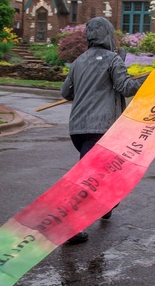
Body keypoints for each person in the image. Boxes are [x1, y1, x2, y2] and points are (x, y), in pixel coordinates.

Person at [60, 17, 142, 244]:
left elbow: (65, 92)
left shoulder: (78, 61)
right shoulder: (113, 59)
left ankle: (105, 205)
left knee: (105, 172)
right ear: (108, 35)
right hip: (102, 129)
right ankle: (72, 225)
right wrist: (151, 79)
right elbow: (126, 87)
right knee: (89, 178)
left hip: (78, 129)